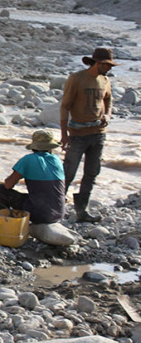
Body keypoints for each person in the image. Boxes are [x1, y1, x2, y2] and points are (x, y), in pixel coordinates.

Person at [60, 47, 115, 222]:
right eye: (107, 65)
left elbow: (108, 99)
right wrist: (64, 134)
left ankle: (81, 210)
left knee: (92, 172)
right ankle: (56, 209)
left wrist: (107, 115)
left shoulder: (105, 80)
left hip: (98, 133)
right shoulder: (76, 79)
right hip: (77, 134)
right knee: (68, 173)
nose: (110, 69)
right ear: (98, 63)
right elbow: (65, 106)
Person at [0, 130, 65, 224]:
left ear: (33, 147)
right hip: (59, 213)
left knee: (0, 190)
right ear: (51, 147)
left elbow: (8, 185)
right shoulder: (57, 160)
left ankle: (6, 222)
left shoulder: (28, 159)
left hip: (41, 215)